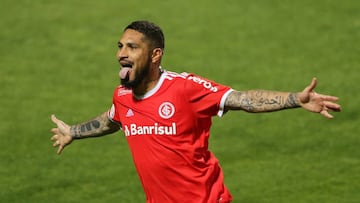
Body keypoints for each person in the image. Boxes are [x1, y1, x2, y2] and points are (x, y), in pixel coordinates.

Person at [50, 20, 341, 203]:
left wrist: (294, 99)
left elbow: (241, 99)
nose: (121, 54)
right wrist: (73, 132)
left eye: (131, 47)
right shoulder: (123, 96)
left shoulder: (184, 88)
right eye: (120, 46)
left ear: (155, 55)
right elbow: (112, 119)